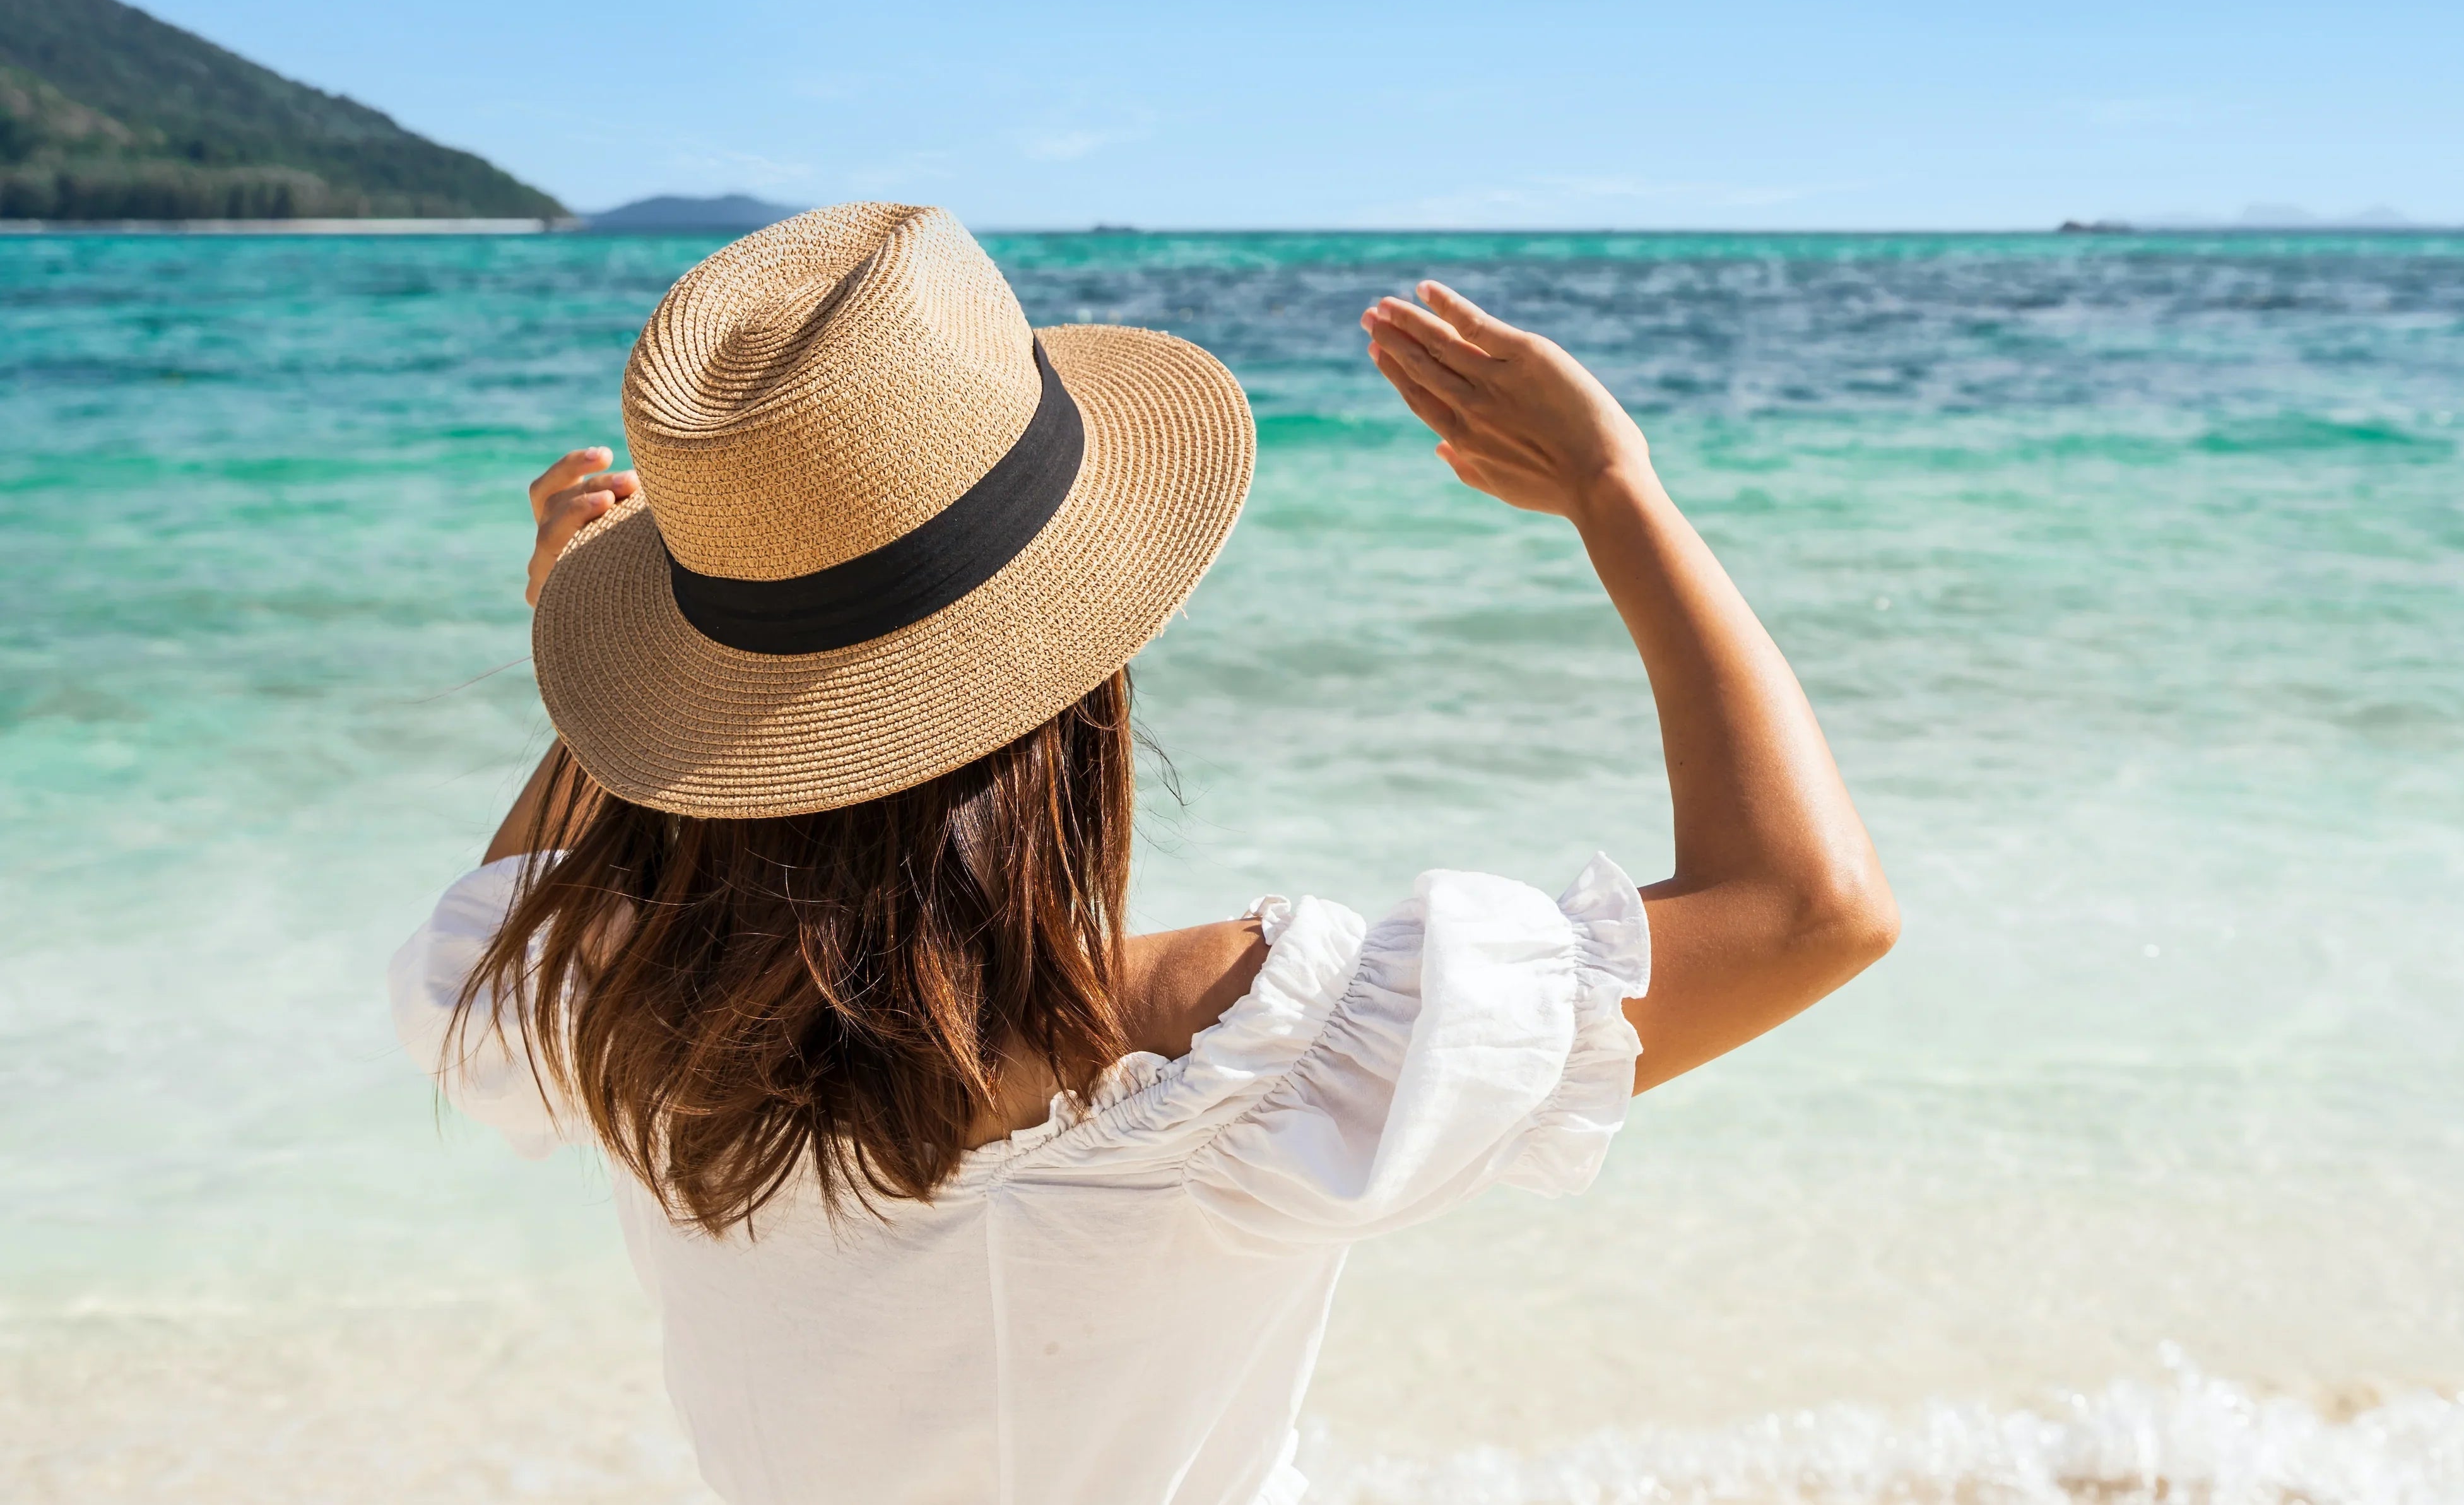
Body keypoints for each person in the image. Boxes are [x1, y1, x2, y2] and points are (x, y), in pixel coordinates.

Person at [390, 203, 1894, 1505]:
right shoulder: (1224, 1064)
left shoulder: (625, 1035)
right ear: (1082, 685)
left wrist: (628, 685)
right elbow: (1807, 910)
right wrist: (1613, 487)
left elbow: (501, 918)